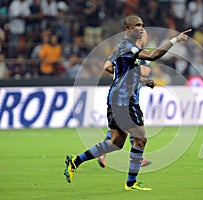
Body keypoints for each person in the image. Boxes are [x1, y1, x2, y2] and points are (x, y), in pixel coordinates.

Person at [64, 15, 191, 191]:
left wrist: (144, 80)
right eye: (137, 25)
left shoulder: (126, 49)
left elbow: (122, 71)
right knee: (140, 140)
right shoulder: (126, 46)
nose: (141, 28)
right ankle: (131, 183)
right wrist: (175, 39)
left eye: (142, 25)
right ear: (128, 29)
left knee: (116, 143)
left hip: (119, 98)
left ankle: (75, 161)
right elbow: (153, 56)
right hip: (124, 100)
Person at [98, 30, 152, 168]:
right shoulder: (138, 52)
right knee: (133, 127)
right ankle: (136, 159)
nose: (145, 36)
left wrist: (120, 72)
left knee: (123, 128)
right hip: (128, 96)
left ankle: (103, 152)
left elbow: (107, 66)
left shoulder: (121, 49)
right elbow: (145, 71)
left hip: (122, 94)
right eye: (144, 34)